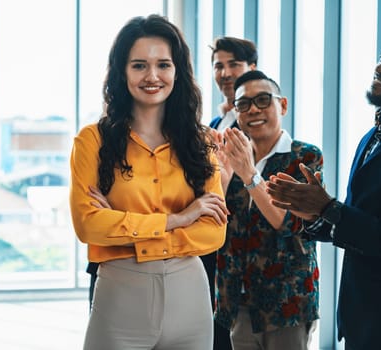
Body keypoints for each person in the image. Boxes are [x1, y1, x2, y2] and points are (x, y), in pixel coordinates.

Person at [70, 14, 227, 349]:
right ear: (121, 71)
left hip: (190, 296)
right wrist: (179, 218)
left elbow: (214, 230)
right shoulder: (92, 141)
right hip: (121, 297)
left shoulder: (201, 143)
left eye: (163, 65)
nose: (152, 76)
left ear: (177, 72)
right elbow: (88, 226)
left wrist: (128, 232)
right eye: (139, 65)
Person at [266, 50, 381, 350]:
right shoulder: (372, 136)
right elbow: (355, 219)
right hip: (359, 315)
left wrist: (328, 208)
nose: (380, 66)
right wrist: (313, 215)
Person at [212, 70, 322, 350]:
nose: (253, 110)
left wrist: (249, 174)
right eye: (243, 104)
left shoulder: (304, 157)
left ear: (282, 105)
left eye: (263, 100)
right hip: (236, 299)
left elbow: (287, 223)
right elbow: (214, 218)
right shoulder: (231, 156)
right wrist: (222, 175)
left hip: (286, 303)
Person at [203, 36, 258, 350]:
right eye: (218, 66)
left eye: (233, 64)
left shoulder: (258, 121)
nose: (224, 73)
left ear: (252, 68)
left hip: (243, 244)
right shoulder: (214, 123)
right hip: (213, 238)